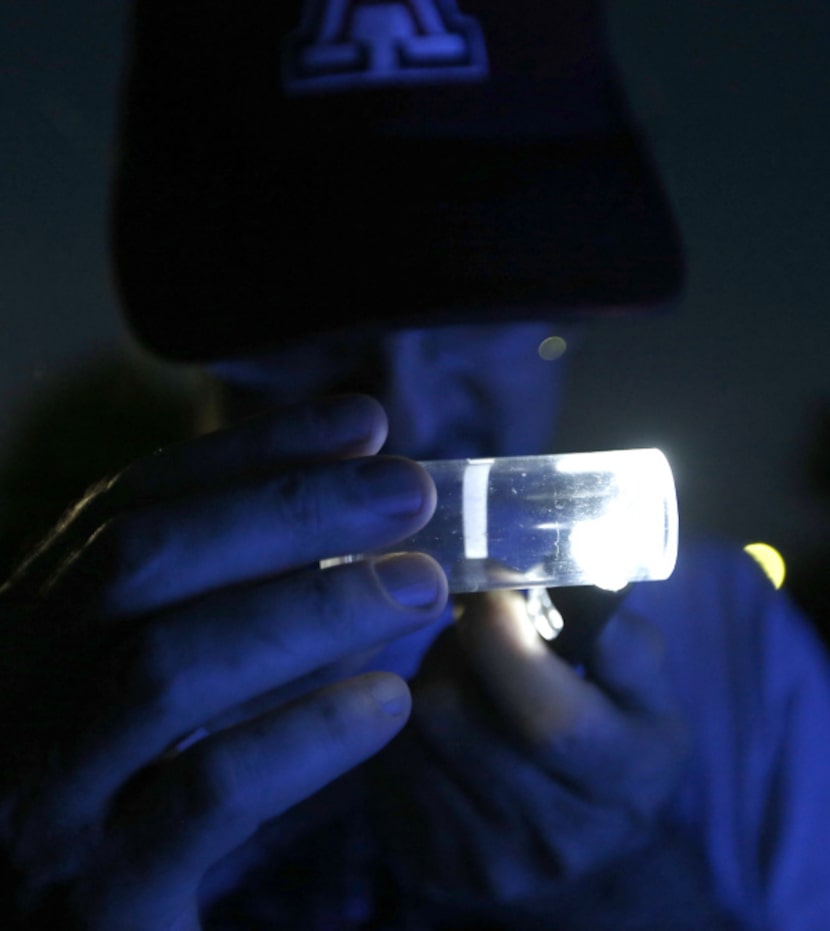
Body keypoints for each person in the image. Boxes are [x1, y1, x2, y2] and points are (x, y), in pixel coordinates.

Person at [2, 2, 830, 928]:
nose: (408, 409)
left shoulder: (739, 653)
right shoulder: (58, 690)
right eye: (309, 315)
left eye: (482, 296)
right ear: (201, 337)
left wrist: (618, 890)